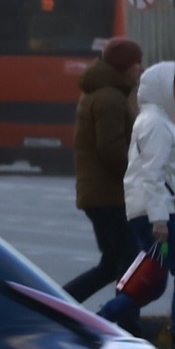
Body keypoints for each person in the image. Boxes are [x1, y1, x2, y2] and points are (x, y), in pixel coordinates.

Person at [101, 61, 175, 349]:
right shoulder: (157, 125)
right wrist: (160, 219)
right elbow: (152, 174)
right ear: (163, 90)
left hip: (152, 212)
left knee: (154, 280)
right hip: (157, 216)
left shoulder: (154, 120)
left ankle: (98, 324)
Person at [65, 37, 143, 302]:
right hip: (109, 197)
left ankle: (61, 305)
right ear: (123, 66)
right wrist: (137, 175)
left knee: (113, 264)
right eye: (135, 63)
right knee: (131, 264)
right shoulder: (109, 98)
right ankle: (123, 322)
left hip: (101, 195)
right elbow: (110, 149)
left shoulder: (105, 93)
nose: (140, 69)